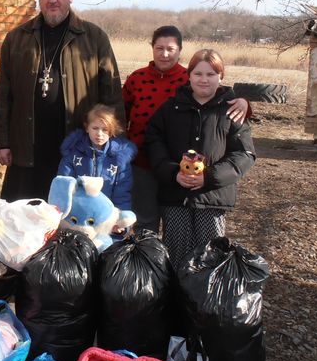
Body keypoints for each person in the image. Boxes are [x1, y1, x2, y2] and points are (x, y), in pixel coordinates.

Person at [0, 0, 124, 201]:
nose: (53, 0)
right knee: (25, 218)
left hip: (77, 144)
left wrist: (112, 145)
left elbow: (111, 94)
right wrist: (2, 142)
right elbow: (4, 94)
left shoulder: (94, 37)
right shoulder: (17, 38)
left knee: (71, 219)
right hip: (27, 145)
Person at [122, 26, 249, 233]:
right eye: (159, 48)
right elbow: (120, 114)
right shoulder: (137, 78)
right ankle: (149, 262)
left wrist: (244, 103)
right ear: (152, 48)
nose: (164, 54)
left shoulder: (189, 78)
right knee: (145, 224)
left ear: (180, 50)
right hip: (143, 162)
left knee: (186, 230)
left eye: (170, 49)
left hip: (180, 166)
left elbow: (219, 102)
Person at [145, 49, 256, 270]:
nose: (204, 80)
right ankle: (175, 301)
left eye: (211, 74)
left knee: (211, 258)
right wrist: (172, 172)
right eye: (198, 74)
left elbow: (244, 154)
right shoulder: (171, 107)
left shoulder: (232, 110)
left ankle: (205, 303)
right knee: (176, 257)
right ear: (189, 76)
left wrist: (209, 177)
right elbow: (153, 142)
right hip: (175, 197)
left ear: (221, 76)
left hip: (212, 199)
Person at [57, 104, 137, 210]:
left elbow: (122, 193)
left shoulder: (119, 158)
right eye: (95, 128)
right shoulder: (73, 153)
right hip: (78, 213)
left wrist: (120, 218)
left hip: (105, 213)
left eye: (105, 129)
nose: (99, 134)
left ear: (112, 131)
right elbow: (64, 184)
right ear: (87, 128)